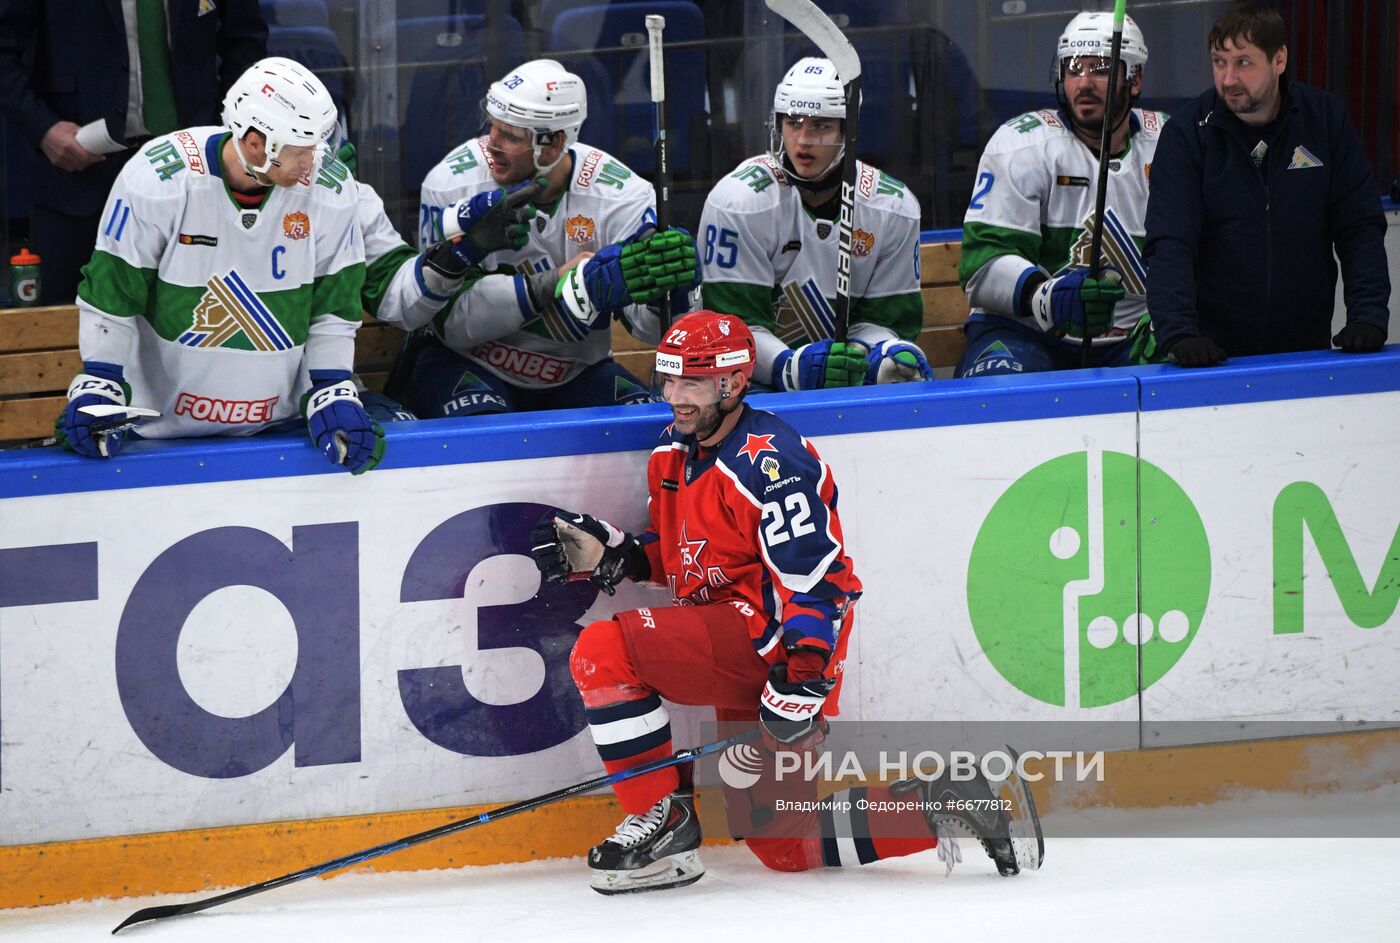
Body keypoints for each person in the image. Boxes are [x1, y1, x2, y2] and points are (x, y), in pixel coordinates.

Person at [531, 310, 1028, 894]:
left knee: (603, 649)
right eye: (668, 379)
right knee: (782, 844)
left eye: (690, 383)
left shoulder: (772, 463)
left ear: (733, 383)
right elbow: (690, 557)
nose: (674, 396)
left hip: (777, 649)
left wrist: (805, 675)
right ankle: (944, 799)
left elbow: (816, 579)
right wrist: (616, 554)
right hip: (736, 645)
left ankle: (663, 820)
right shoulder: (672, 450)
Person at [55, 57, 382, 474]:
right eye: (301, 151)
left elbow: (335, 307)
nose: (313, 164)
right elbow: (112, 296)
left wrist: (332, 387)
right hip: (157, 434)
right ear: (254, 143)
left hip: (280, 430)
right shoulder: (159, 180)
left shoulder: (330, 193)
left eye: (318, 146)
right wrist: (100, 380)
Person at [401, 58, 697, 418]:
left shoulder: (624, 197)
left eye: (510, 135)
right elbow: (448, 324)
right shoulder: (451, 184)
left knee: (645, 428)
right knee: (485, 435)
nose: (490, 145)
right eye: (491, 127)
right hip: (468, 362)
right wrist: (559, 284)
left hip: (574, 373)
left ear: (554, 144)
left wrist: (666, 294)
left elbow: (650, 332)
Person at [1144, 3, 1390, 366]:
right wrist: (1179, 332)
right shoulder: (1187, 133)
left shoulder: (1324, 120)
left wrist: (1368, 316)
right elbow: (1170, 242)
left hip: (1306, 352)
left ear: (1279, 60)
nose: (1228, 79)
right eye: (1219, 61)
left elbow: (1359, 228)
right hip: (1211, 357)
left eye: (1243, 62)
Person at [0, 0, 266, 303]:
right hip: (77, 174)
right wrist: (44, 128)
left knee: (194, 314)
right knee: (69, 322)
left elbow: (246, 43)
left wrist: (224, 127)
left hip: (193, 172)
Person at [698, 57, 931, 392]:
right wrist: (793, 369)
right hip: (749, 381)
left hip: (841, 380)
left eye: (820, 126)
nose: (803, 141)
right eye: (794, 122)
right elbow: (730, 331)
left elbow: (882, 322)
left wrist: (882, 353)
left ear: (847, 132)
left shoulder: (893, 207)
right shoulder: (739, 201)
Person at [955, 12, 1161, 377]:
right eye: (1072, 68)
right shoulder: (1021, 143)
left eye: (1100, 68)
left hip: (1133, 337)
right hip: (1025, 330)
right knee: (1001, 394)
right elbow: (982, 267)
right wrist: (1044, 296)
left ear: (1136, 79)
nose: (1083, 83)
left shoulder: (1169, 144)